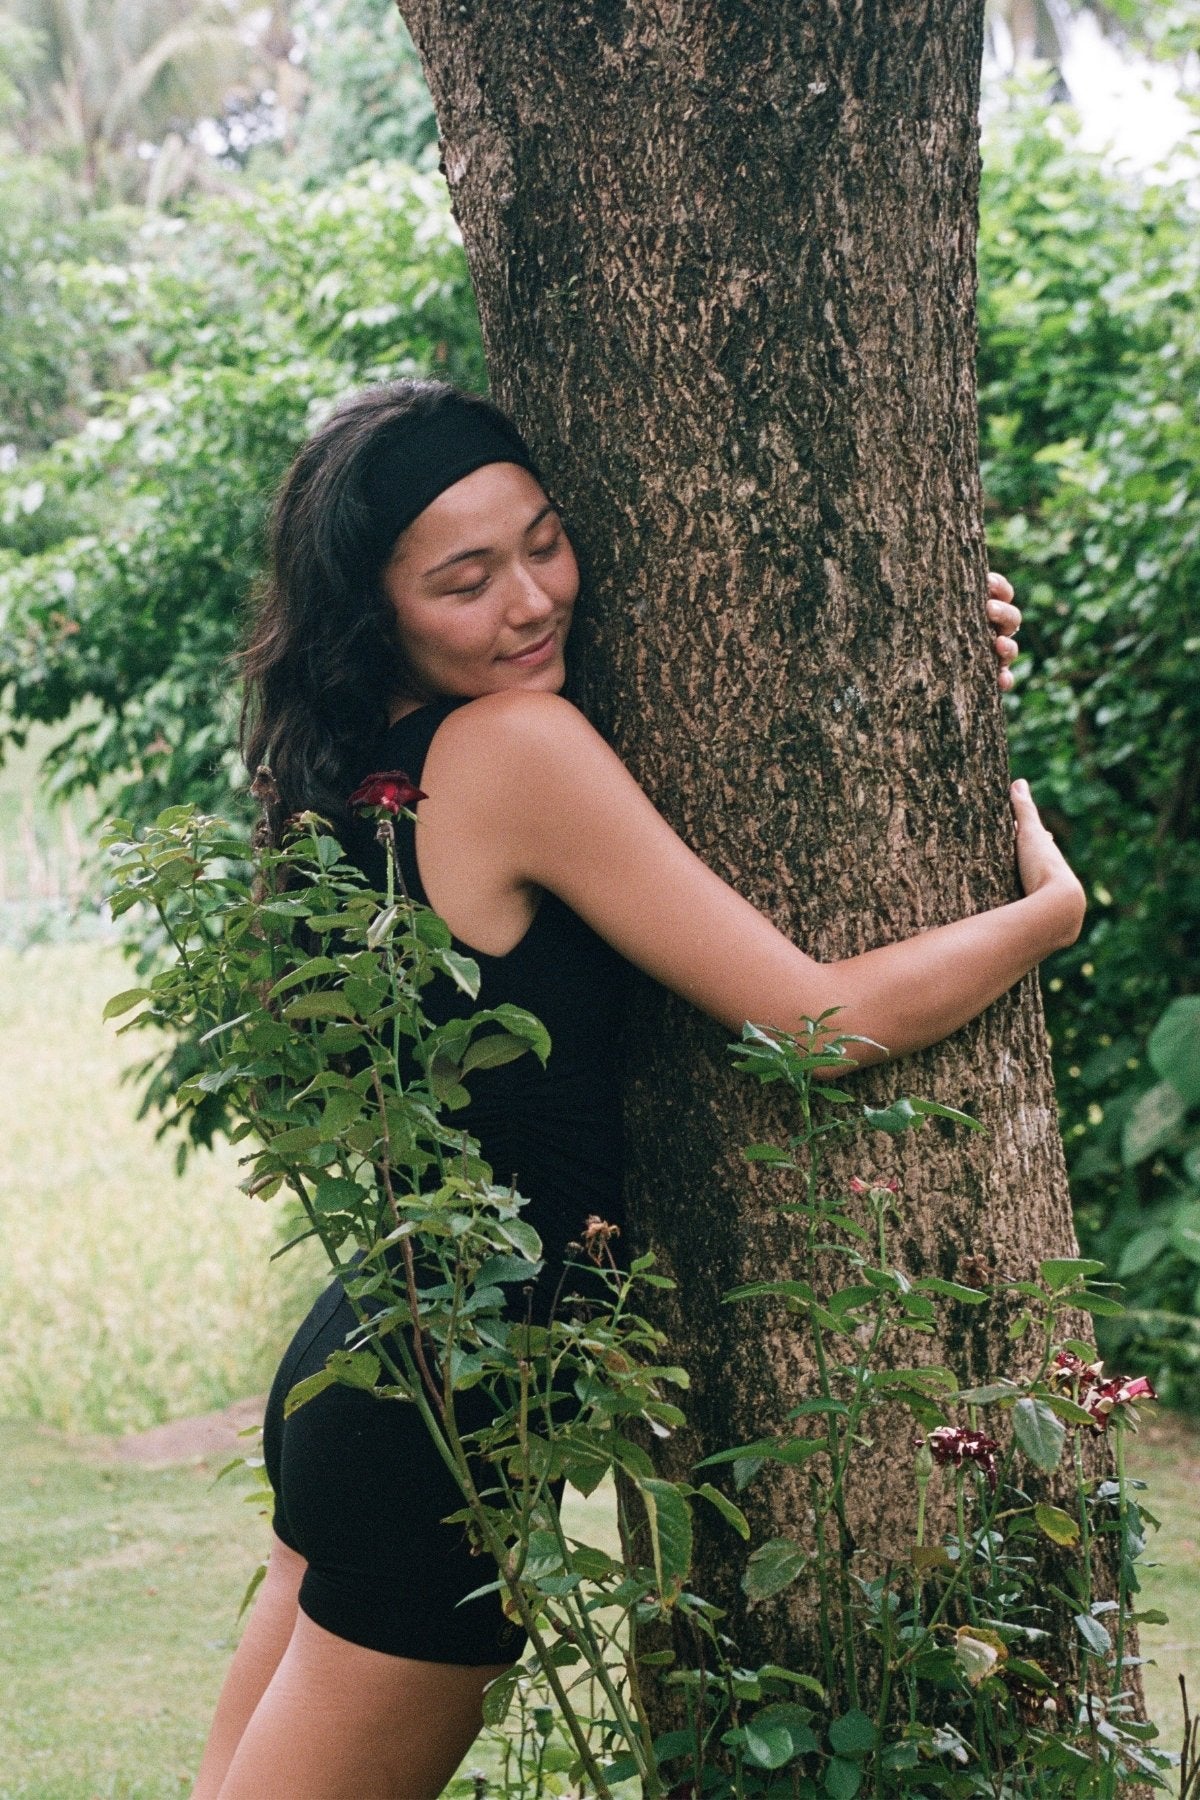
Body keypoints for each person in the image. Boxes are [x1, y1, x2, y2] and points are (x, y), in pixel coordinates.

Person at [192, 379, 1083, 1800]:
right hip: (450, 1417)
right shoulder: (514, 748)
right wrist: (1046, 918)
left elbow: (677, 789)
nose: (531, 599)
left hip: (373, 1360)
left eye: (546, 543)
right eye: (466, 581)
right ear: (378, 613)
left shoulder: (375, 773)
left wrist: (902, 658)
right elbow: (815, 1023)